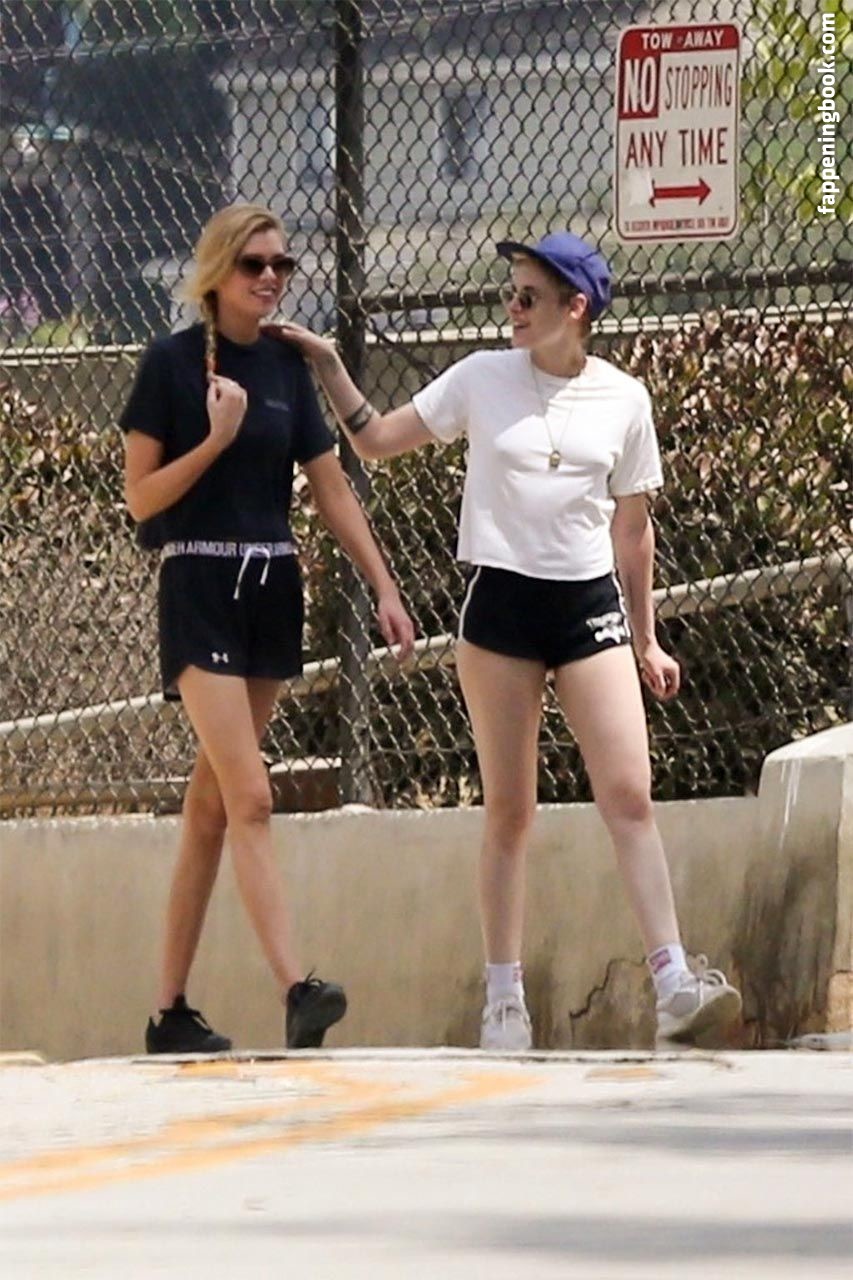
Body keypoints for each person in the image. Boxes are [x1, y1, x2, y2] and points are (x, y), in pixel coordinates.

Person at [266, 230, 742, 1051]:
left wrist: (646, 639)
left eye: (527, 296)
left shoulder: (623, 399)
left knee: (628, 795)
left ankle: (670, 979)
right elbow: (375, 439)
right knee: (510, 812)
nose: (511, 308)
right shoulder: (482, 376)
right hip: (501, 610)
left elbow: (633, 530)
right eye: (509, 294)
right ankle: (503, 1002)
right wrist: (328, 364)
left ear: (575, 307)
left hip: (587, 607)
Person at [120, 203, 415, 1054]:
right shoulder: (169, 364)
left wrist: (383, 585)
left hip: (271, 585)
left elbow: (330, 486)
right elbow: (141, 499)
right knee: (250, 795)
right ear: (218, 272)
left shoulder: (286, 367)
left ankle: (170, 1013)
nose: (271, 278)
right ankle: (297, 988)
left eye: (282, 264)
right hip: (200, 584)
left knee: (211, 805)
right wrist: (214, 440)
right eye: (254, 264)